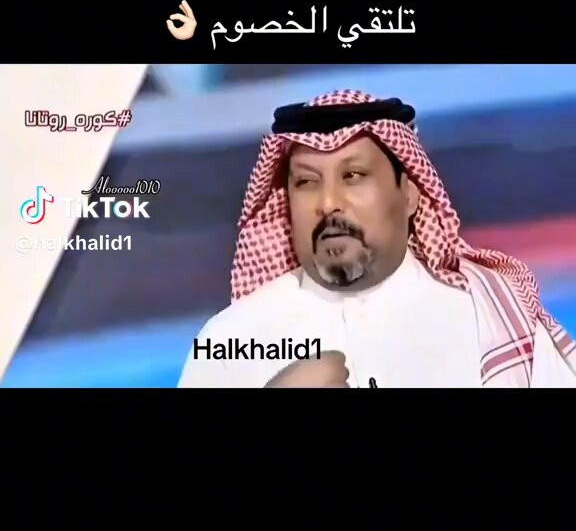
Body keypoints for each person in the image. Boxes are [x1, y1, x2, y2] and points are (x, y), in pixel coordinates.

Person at [177, 88, 575, 388]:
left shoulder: (491, 315)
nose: (328, 203)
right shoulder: (233, 337)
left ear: (410, 193)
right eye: (306, 182)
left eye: (353, 176)